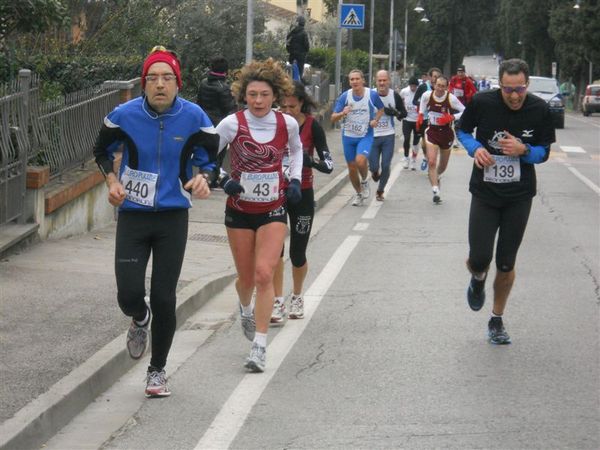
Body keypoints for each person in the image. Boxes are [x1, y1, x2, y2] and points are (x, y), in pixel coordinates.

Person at [93, 46, 218, 397]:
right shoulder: (124, 115)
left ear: (178, 83)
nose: (159, 84)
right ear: (144, 83)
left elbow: (211, 154)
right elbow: (100, 150)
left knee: (164, 297)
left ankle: (157, 371)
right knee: (129, 293)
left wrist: (205, 177)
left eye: (167, 78)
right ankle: (139, 317)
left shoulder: (195, 116)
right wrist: (112, 181)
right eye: (152, 78)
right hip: (133, 215)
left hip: (173, 217)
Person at [456, 58, 555, 344]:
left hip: (519, 196)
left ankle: (496, 320)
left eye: (519, 89)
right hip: (485, 193)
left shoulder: (539, 109)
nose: (513, 95)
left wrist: (524, 149)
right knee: (479, 258)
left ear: (527, 85)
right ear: (500, 84)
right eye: (508, 89)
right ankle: (477, 279)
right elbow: (462, 130)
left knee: (506, 263)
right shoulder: (483, 102)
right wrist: (475, 149)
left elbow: (544, 152)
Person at [214, 58, 303, 372]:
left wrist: (293, 180)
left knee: (265, 273)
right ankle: (245, 306)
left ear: (274, 95)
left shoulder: (286, 124)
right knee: (247, 278)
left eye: (264, 94)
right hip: (239, 210)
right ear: (244, 95)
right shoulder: (231, 124)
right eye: (252, 94)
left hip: (273, 209)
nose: (258, 101)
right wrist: (224, 181)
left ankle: (259, 347)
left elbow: (296, 150)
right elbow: (208, 156)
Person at [271, 81, 334, 323]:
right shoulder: (272, 122)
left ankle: (297, 296)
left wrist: (309, 162)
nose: (287, 111)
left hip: (303, 194)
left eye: (292, 106)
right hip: (275, 193)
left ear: (302, 104)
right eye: (283, 106)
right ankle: (277, 301)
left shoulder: (312, 126)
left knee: (297, 252)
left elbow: (328, 165)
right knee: (276, 250)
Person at [331, 69, 384, 206]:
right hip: (348, 136)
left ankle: (365, 181)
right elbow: (332, 118)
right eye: (351, 79)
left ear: (363, 80)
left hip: (365, 135)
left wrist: (376, 120)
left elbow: (381, 109)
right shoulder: (345, 96)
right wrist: (342, 113)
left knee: (360, 161)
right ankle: (359, 193)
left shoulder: (371, 95)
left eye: (357, 79)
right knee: (352, 167)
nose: (354, 82)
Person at [417, 75, 465, 204]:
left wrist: (452, 117)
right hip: (432, 131)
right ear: (434, 85)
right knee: (432, 162)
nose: (439, 88)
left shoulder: (451, 98)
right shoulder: (427, 95)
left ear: (447, 87)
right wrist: (421, 115)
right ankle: (435, 190)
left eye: (442, 86)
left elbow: (465, 111)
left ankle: (436, 176)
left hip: (446, 134)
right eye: (438, 85)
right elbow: (422, 102)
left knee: (442, 166)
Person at [368, 70, 406, 201]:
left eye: (384, 80)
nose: (382, 83)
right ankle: (374, 172)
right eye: (380, 80)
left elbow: (403, 113)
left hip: (388, 136)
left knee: (385, 165)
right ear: (376, 81)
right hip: (372, 136)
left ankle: (380, 190)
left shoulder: (394, 95)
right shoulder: (370, 95)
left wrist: (395, 113)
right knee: (373, 166)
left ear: (389, 81)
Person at [413, 67, 442, 172]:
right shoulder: (423, 87)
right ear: (430, 77)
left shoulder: (441, 89)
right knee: (425, 143)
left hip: (437, 121)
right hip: (425, 119)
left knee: (435, 144)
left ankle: (432, 162)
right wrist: (423, 105)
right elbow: (414, 101)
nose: (436, 79)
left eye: (438, 77)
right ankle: (426, 157)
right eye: (434, 76)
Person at [196, 56, 236, 126]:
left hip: (202, 120)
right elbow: (228, 108)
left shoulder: (203, 82)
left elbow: (199, 102)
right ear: (226, 70)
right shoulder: (223, 87)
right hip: (217, 124)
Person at [399, 76, 421, 171]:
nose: (413, 88)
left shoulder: (420, 93)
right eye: (412, 86)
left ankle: (414, 159)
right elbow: (399, 101)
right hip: (407, 119)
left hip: (417, 121)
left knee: (416, 142)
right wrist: (401, 110)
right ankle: (406, 158)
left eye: (415, 86)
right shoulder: (404, 91)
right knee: (406, 138)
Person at [286, 15, 310, 83]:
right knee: (299, 71)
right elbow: (306, 45)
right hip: (301, 56)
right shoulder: (304, 33)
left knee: (291, 70)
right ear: (304, 23)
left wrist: (289, 50)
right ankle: (298, 86)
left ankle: (290, 83)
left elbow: (287, 42)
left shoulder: (292, 32)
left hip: (292, 55)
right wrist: (306, 51)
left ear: (298, 22)